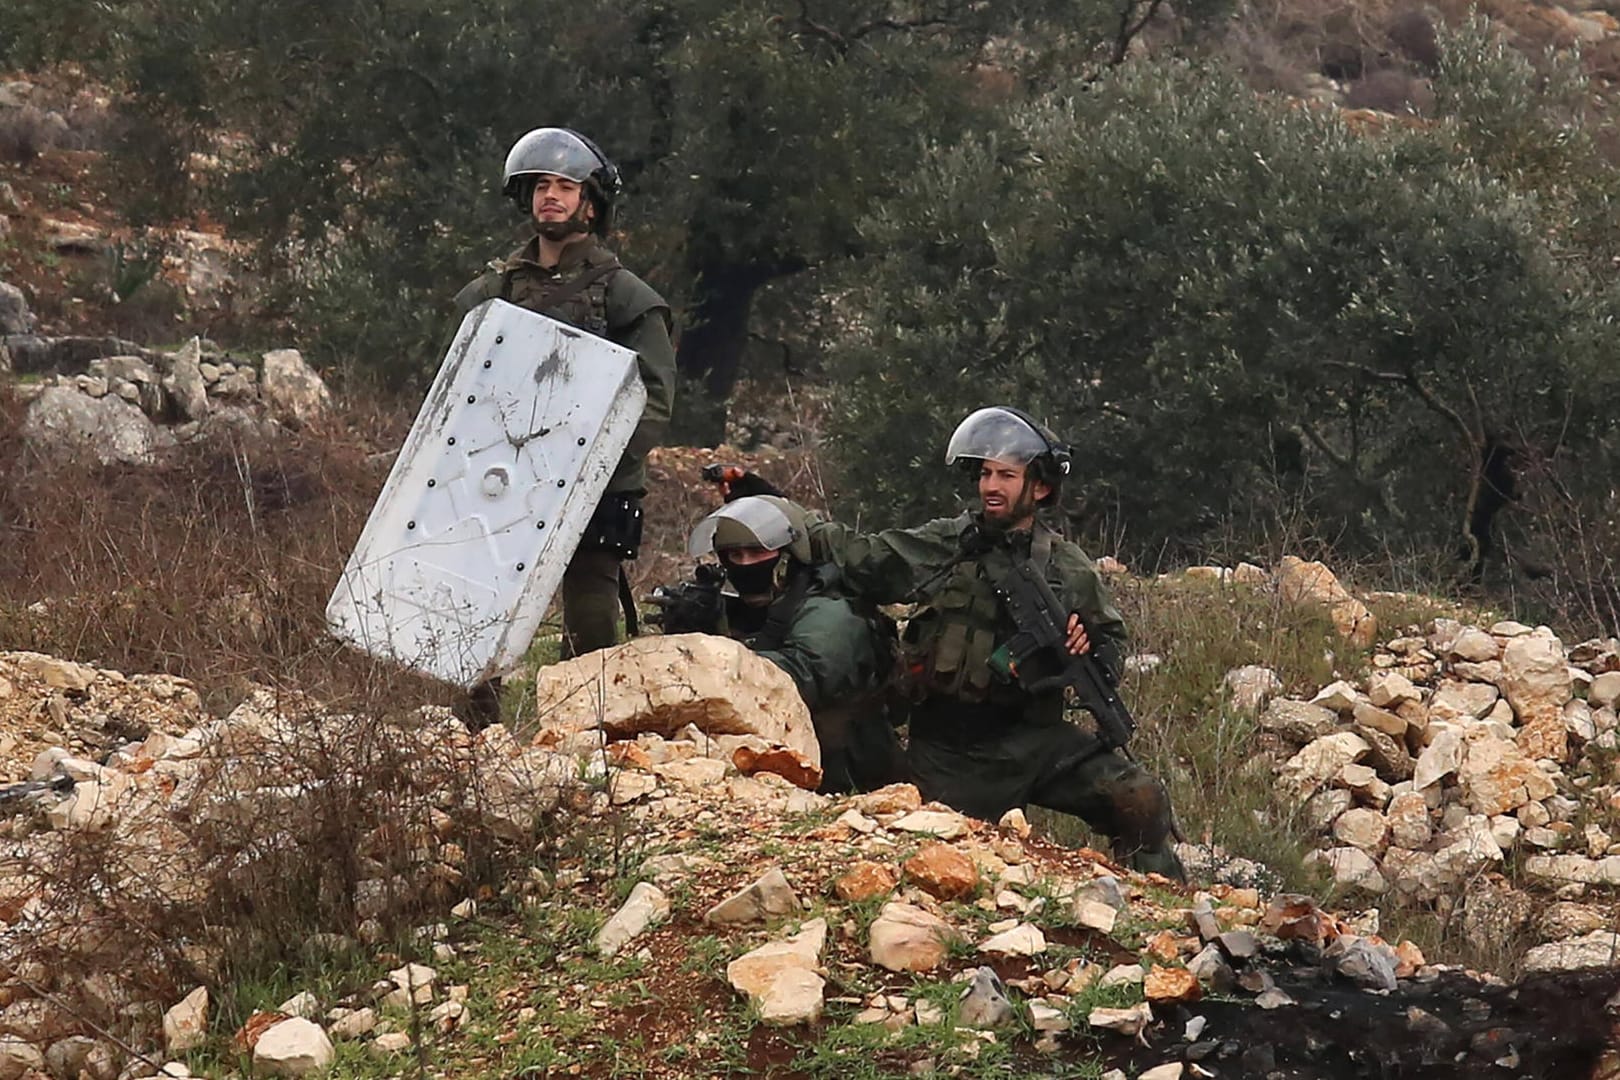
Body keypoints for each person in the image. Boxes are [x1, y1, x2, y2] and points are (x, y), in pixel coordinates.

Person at [806, 406, 1185, 879]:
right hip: (948, 750)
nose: (990, 486)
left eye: (1007, 475)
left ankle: (1165, 912)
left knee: (1139, 798)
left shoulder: (1067, 568)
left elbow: (1109, 650)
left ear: (1040, 488)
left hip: (1035, 742)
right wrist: (791, 521)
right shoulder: (948, 542)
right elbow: (868, 561)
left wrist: (1085, 645)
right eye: (986, 473)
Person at [452, 126, 677, 659]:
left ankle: (587, 725)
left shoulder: (626, 297)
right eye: (540, 186)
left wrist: (588, 463)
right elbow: (457, 384)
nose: (549, 196)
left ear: (591, 205)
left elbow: (653, 400)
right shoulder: (495, 291)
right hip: (503, 473)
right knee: (480, 600)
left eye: (565, 186)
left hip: (594, 482)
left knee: (591, 613)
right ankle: (476, 730)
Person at [680, 495, 905, 794]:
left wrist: (711, 654)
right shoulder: (775, 604)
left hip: (852, 776)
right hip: (788, 770)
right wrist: (692, 628)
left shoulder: (831, 610)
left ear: (788, 555)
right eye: (736, 555)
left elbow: (801, 675)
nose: (746, 564)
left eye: (757, 552)